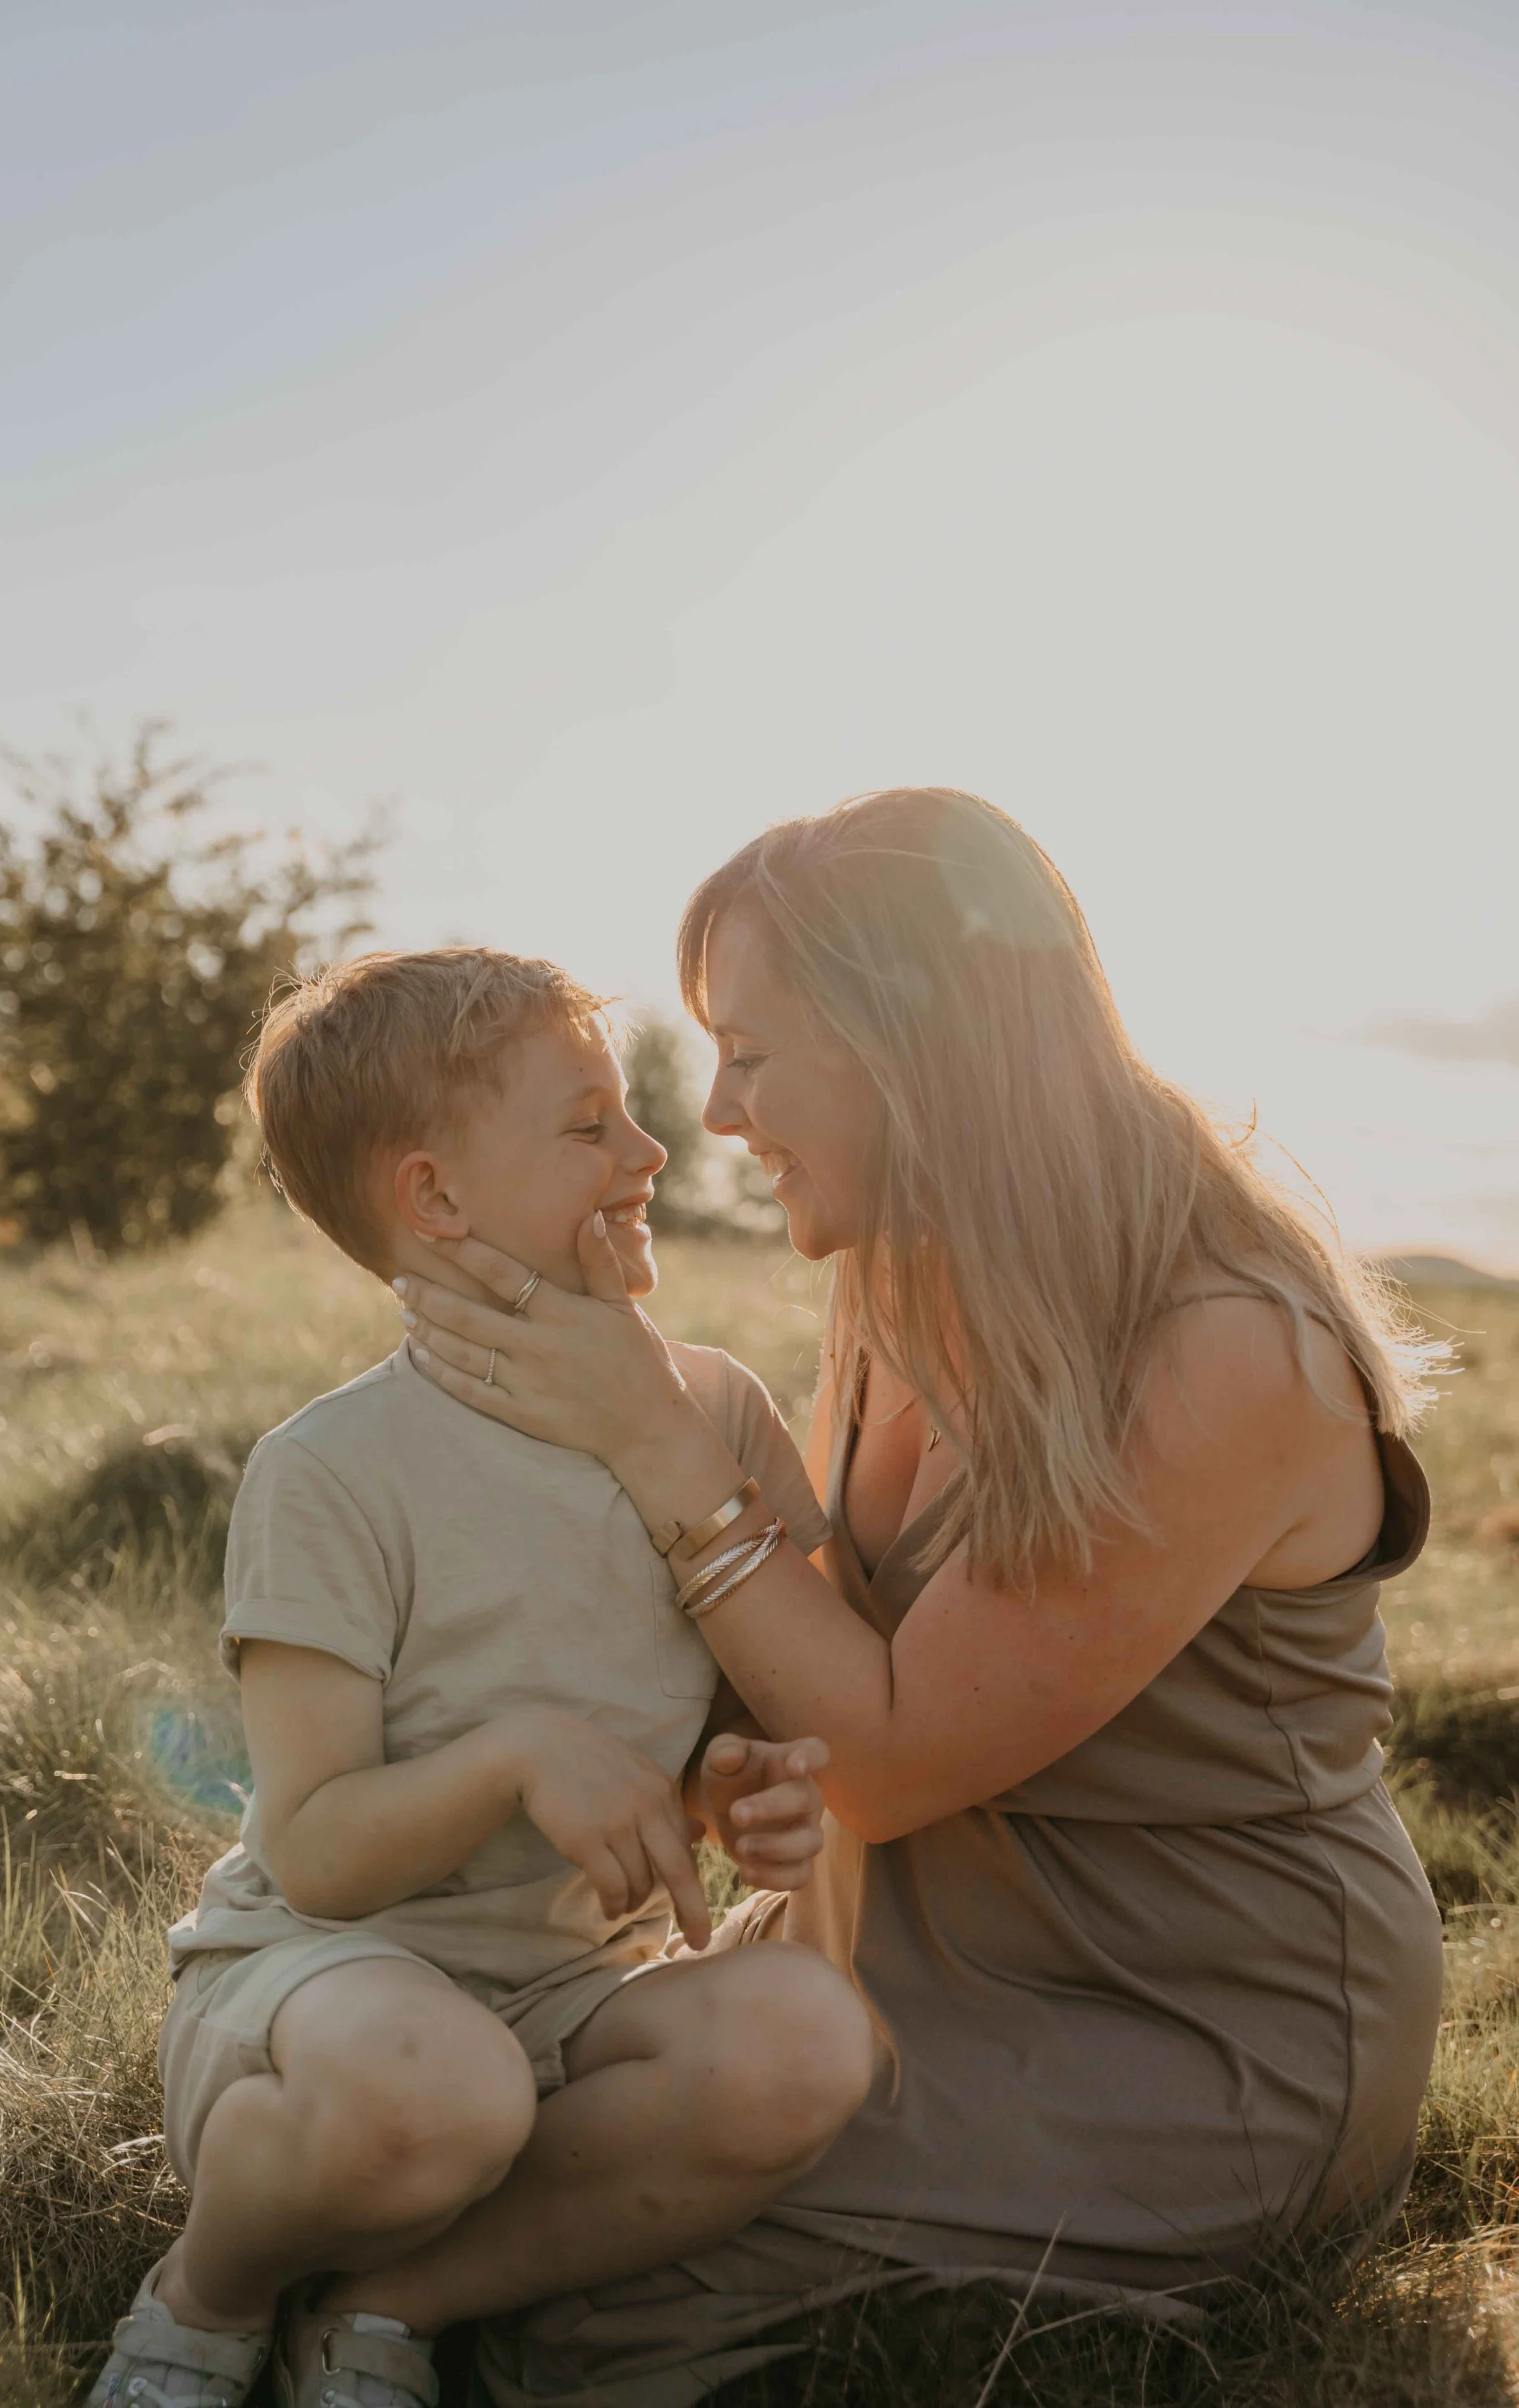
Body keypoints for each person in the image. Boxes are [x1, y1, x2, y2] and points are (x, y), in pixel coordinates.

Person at [397, 787, 1447, 2407]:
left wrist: (650, 1434)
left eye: (752, 1054)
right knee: (442, 2123)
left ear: (911, 1045)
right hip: (887, 1949)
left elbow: (888, 1759)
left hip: (1180, 2025)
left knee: (561, 2296)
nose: (720, 1116)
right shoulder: (905, 1261)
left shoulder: (1222, 1345)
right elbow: (820, 1660)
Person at [89, 948, 874, 2408]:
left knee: (804, 2040)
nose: (651, 1151)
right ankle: (212, 2293)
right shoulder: (330, 1470)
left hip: (575, 1988)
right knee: (439, 2093)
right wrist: (518, 1754)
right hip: (322, 2000)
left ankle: (389, 2309)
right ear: (435, 1198)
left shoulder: (713, 1412)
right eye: (589, 1126)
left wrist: (738, 1789)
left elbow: (730, 1718)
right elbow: (314, 1850)